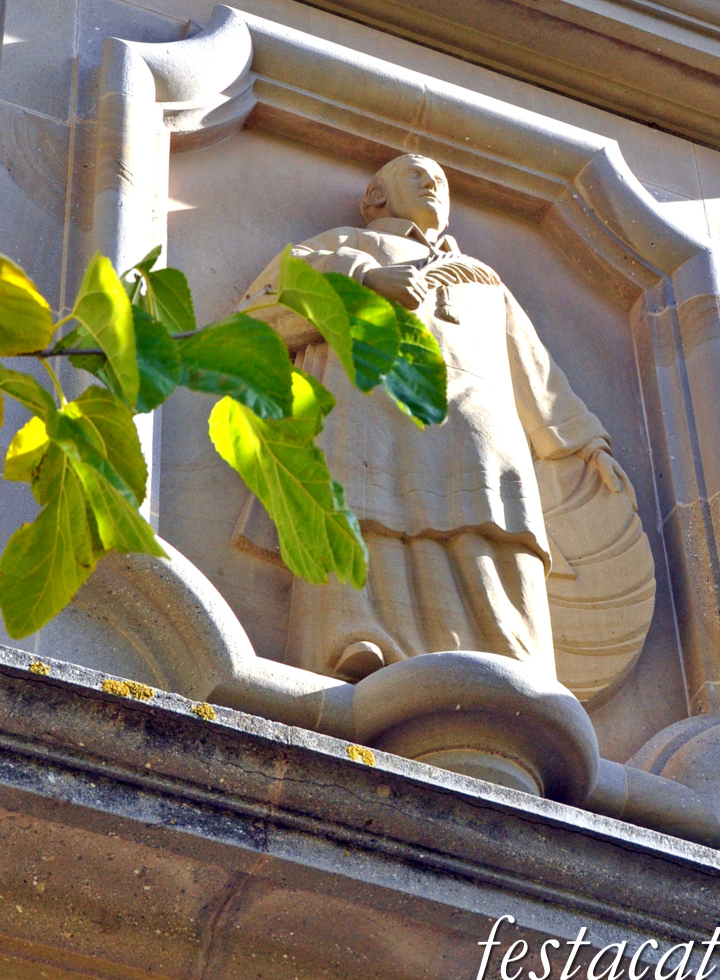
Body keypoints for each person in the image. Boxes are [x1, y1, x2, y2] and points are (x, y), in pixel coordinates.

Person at [238, 153, 630, 682]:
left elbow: (534, 370)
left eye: (441, 179)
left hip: (477, 423)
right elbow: (261, 310)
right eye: (416, 174)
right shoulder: (345, 245)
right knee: (362, 508)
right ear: (376, 197)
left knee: (493, 521)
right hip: (371, 402)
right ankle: (354, 636)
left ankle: (511, 662)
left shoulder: (484, 281)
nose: (432, 183)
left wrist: (586, 444)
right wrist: (366, 281)